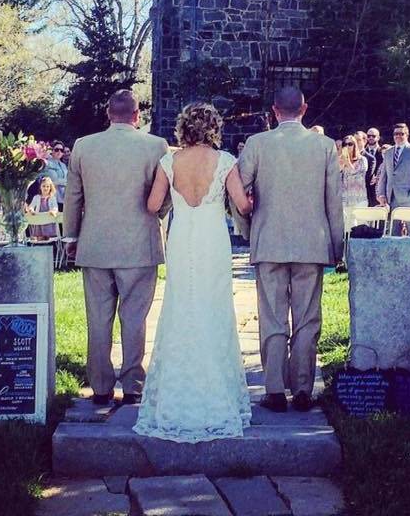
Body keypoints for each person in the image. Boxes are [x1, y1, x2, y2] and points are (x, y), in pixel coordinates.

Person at [134, 103, 254, 442]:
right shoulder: (226, 161)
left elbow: (153, 206)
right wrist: (251, 202)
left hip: (182, 236)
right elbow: (242, 206)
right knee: (213, 307)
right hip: (212, 239)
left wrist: (176, 195)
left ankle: (177, 392)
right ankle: (215, 391)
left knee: (180, 305)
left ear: (184, 128)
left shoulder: (169, 162)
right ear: (213, 128)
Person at [233, 87, 344, 413]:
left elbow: (239, 192)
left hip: (269, 241)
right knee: (308, 319)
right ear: (304, 109)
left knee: (272, 317)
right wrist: (336, 245)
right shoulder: (324, 146)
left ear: (274, 111)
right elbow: (333, 201)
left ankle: (275, 390)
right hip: (311, 243)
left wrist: (248, 231)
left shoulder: (257, 144)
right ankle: (303, 388)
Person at [63, 91, 170, 406]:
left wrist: (71, 238)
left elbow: (73, 197)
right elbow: (163, 195)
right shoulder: (155, 146)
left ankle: (100, 386)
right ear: (137, 115)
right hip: (139, 244)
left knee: (98, 318)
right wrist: (156, 216)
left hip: (95, 244)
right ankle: (133, 384)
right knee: (135, 317)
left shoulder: (84, 146)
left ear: (108, 114)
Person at [376, 123, 410, 236]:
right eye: (395, 134)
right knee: (393, 234)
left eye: (401, 133)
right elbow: (384, 176)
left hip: (409, 198)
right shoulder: (388, 152)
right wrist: (382, 194)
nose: (398, 136)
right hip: (391, 198)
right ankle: (395, 254)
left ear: (407, 135)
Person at [37, 141, 69, 209]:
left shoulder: (63, 165)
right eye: (57, 149)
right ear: (52, 151)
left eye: (62, 150)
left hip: (64, 199)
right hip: (51, 199)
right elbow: (42, 180)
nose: (59, 152)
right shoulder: (46, 163)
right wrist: (63, 182)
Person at [339, 134, 369, 208]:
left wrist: (347, 162)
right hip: (345, 199)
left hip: (359, 199)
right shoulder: (340, 159)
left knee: (360, 219)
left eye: (350, 144)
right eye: (345, 144)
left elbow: (354, 173)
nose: (347, 146)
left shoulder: (362, 160)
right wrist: (341, 163)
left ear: (355, 145)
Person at [28, 176, 59, 240]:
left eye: (47, 186)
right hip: (40, 220)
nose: (45, 188)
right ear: (40, 187)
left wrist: (53, 211)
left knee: (49, 238)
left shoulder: (52, 198)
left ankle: (49, 247)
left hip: (49, 220)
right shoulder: (36, 197)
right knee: (40, 238)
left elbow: (55, 207)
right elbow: (31, 206)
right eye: (44, 186)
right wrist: (31, 210)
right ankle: (40, 247)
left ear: (50, 188)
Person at [365, 127, 384, 205]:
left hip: (379, 190)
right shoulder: (362, 153)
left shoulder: (384, 152)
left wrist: (379, 178)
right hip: (366, 190)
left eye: (373, 136)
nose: (371, 138)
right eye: (369, 136)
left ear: (378, 137)